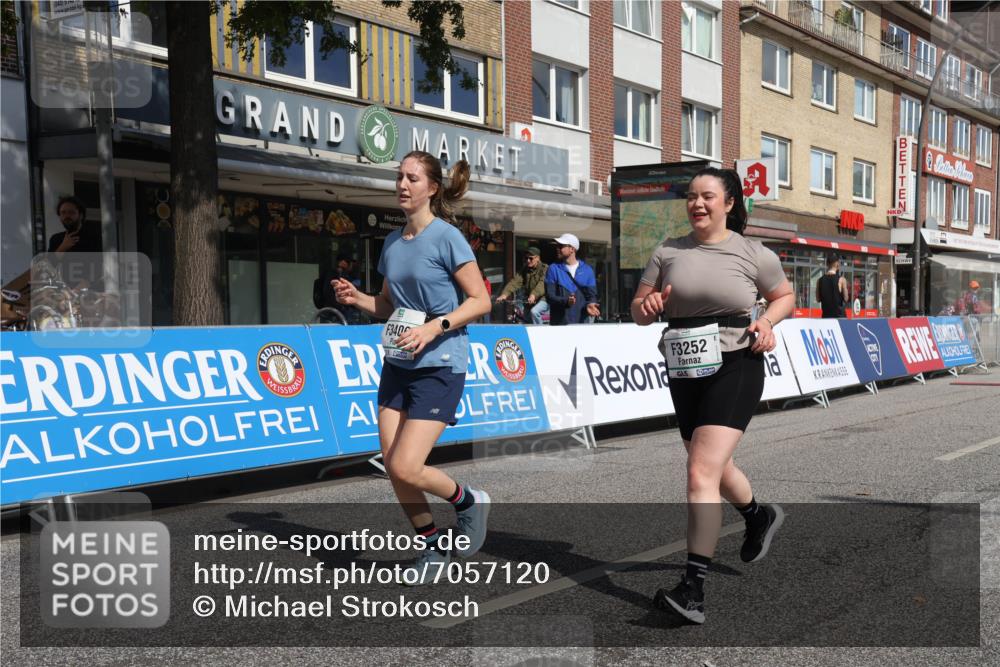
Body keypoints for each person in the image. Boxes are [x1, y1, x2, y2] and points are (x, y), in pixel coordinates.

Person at [630, 166, 795, 624]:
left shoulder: (753, 253)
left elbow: (784, 296)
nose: (697, 204)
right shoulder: (667, 250)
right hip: (684, 364)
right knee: (714, 466)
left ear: (728, 204)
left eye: (707, 196)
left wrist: (766, 323)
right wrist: (648, 307)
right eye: (691, 197)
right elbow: (639, 312)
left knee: (700, 469)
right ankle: (757, 516)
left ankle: (693, 591)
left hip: (736, 362)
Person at [333, 151, 492, 584]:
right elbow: (388, 305)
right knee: (392, 463)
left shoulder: (447, 238)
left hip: (440, 363)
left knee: (406, 465)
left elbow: (480, 301)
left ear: (432, 188)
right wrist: (357, 298)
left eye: (412, 178)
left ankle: (468, 501)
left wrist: (433, 328)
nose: (402, 185)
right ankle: (432, 543)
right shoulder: (392, 242)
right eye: (399, 177)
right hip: (398, 361)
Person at [46, 195, 104, 289]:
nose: (67, 216)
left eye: (71, 212)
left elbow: (99, 267)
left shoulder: (94, 238)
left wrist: (84, 284)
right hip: (63, 293)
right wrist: (63, 247)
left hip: (90, 293)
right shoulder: (56, 239)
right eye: (63, 213)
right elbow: (48, 266)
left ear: (80, 215)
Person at [544, 233, 600, 325]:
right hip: (560, 324)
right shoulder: (553, 269)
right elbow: (549, 297)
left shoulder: (587, 270)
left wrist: (591, 303)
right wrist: (566, 301)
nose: (557, 248)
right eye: (557, 245)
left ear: (572, 249)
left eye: (561, 246)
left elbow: (592, 295)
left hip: (582, 323)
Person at [496, 246, 549, 324]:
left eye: (531, 258)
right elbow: (515, 282)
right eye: (526, 258)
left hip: (544, 299)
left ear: (537, 258)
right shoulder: (525, 269)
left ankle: (540, 333)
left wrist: (534, 295)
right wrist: (504, 294)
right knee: (525, 319)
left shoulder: (545, 268)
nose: (528, 260)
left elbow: (542, 283)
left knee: (535, 312)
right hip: (530, 300)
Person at [316, 255, 362, 323]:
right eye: (351, 263)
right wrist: (342, 307)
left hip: (335, 312)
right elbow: (328, 294)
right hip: (334, 314)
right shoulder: (334, 275)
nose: (352, 266)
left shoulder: (342, 275)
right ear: (343, 262)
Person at [816, 254, 849, 318]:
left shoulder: (819, 280)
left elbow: (818, 299)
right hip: (839, 317)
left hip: (826, 317)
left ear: (827, 264)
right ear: (837, 264)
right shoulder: (841, 280)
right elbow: (846, 298)